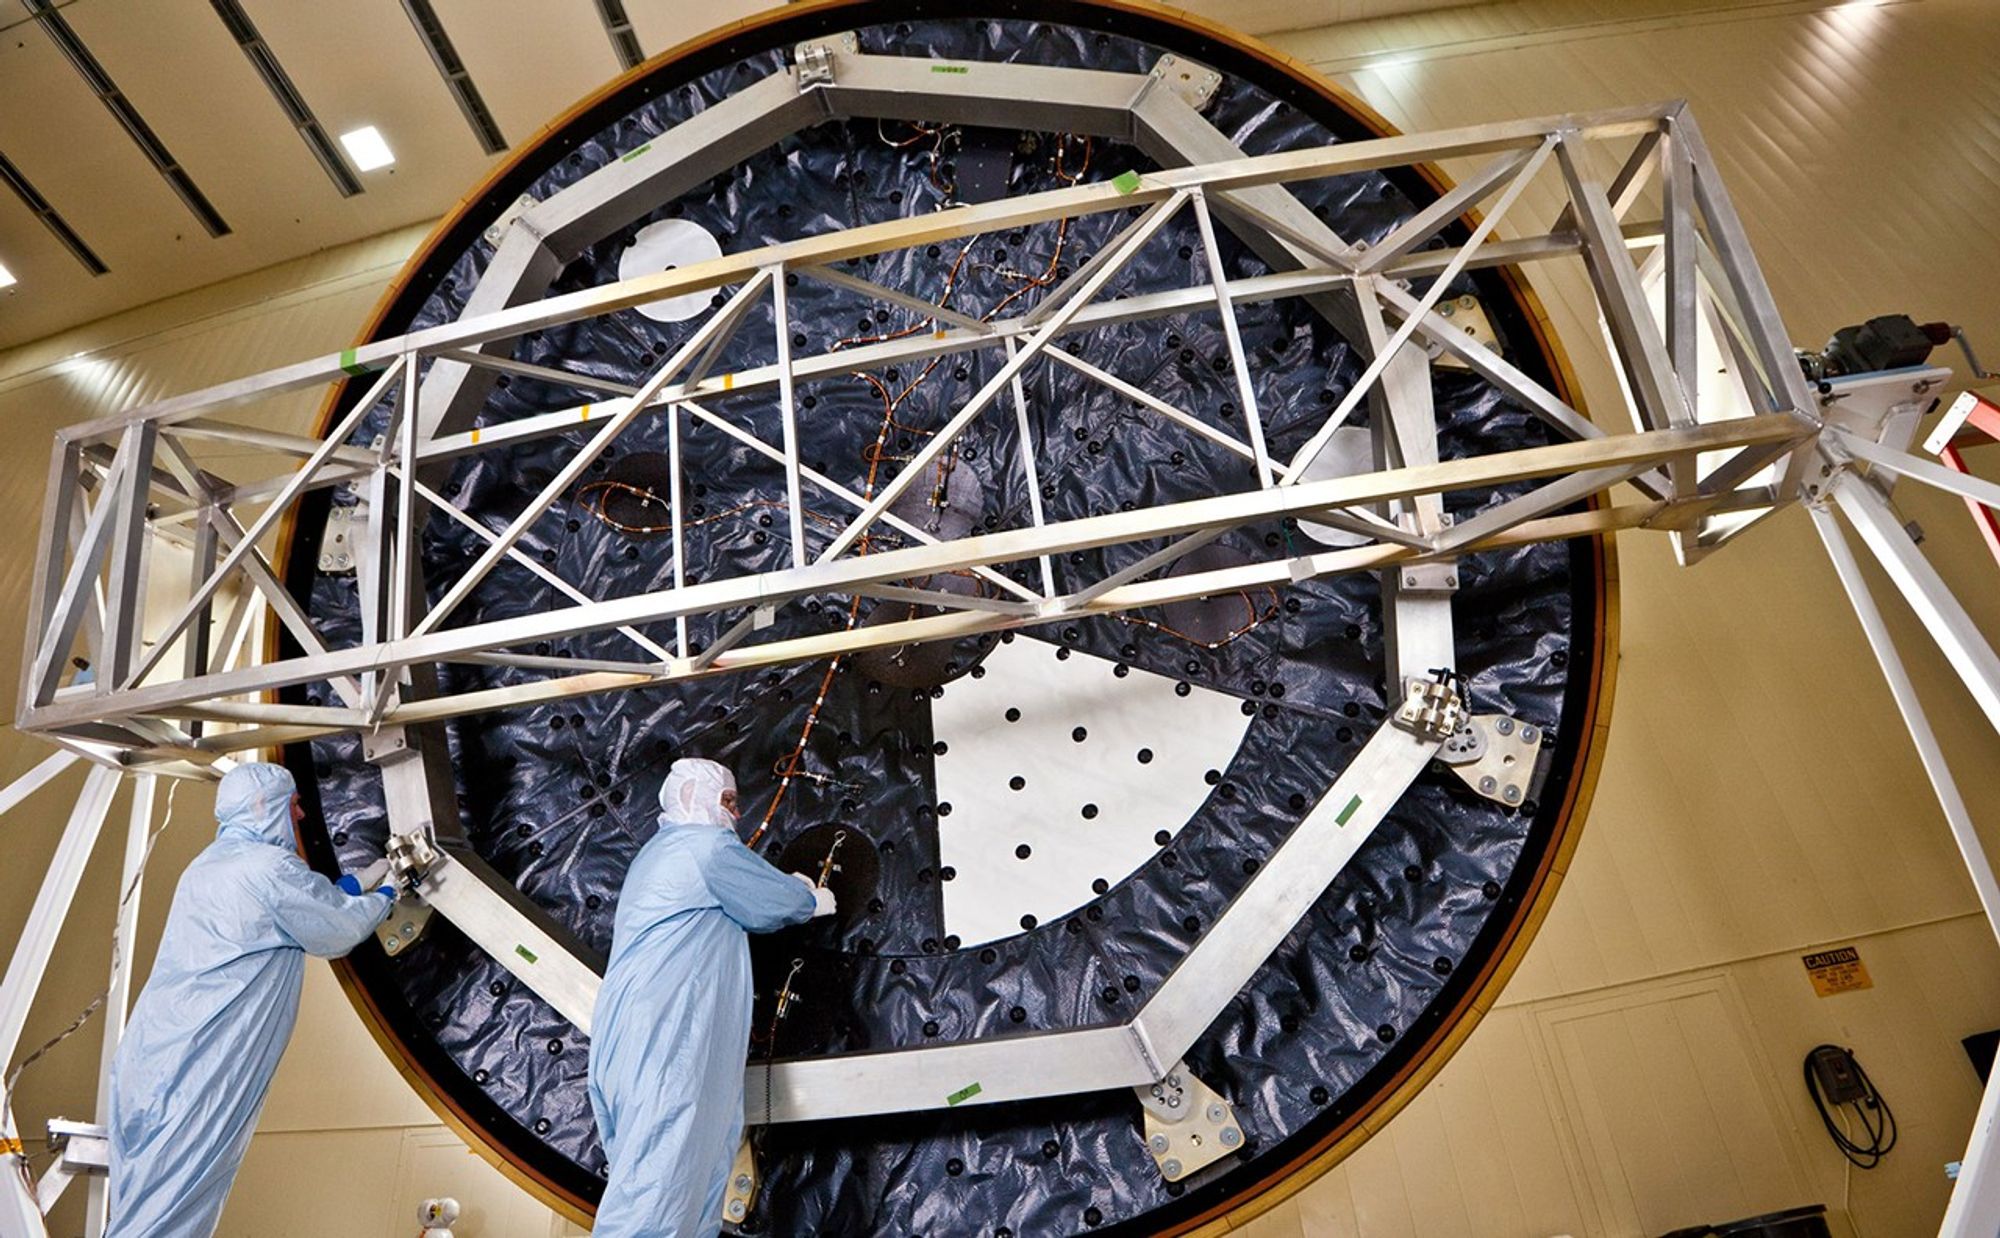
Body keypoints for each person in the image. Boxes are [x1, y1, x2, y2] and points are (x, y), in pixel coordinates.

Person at [106, 761, 396, 1238]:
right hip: (201, 1066)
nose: (300, 815)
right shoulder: (268, 869)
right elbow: (335, 930)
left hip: (150, 1059)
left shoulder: (207, 866)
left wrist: (351, 885)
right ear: (266, 806)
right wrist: (386, 891)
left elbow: (300, 902)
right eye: (295, 803)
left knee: (141, 1205)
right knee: (171, 1211)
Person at [588, 758, 834, 1237]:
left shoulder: (662, 853)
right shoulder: (703, 847)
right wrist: (810, 897)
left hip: (650, 1039)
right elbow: (770, 902)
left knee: (683, 1184)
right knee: (655, 1188)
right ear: (690, 798)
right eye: (727, 801)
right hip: (666, 1042)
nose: (736, 814)